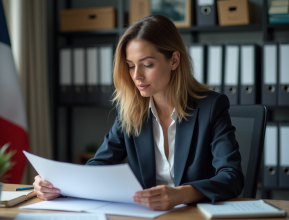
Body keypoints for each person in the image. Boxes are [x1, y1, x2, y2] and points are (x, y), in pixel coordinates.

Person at [33, 15, 244, 211]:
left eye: (147, 65)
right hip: (144, 215)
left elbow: (231, 177)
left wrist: (180, 195)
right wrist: (55, 186)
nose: (137, 76)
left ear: (174, 60)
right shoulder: (130, 111)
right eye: (131, 66)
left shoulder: (212, 107)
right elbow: (97, 169)